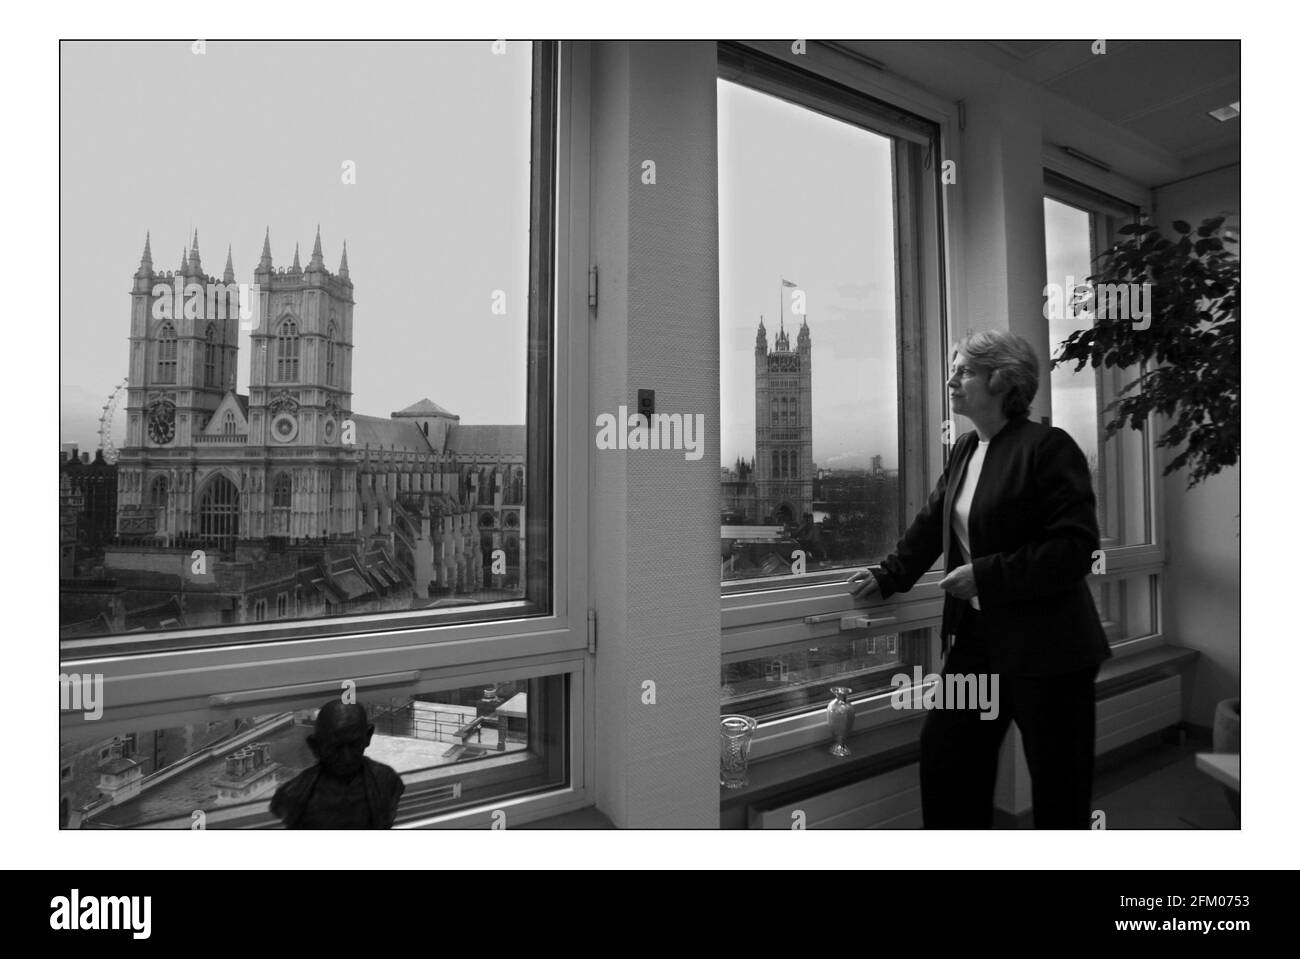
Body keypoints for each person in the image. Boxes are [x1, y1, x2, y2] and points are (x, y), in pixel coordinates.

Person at [846, 330, 1110, 828]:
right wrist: (889, 575)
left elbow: (1075, 549)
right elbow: (933, 523)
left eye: (963, 370)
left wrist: (986, 576)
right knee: (948, 763)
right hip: (978, 642)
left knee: (1060, 795)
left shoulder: (1048, 448)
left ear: (1001, 379)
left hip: (1051, 651)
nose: (951, 380)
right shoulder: (966, 447)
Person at [270, 700, 405, 828]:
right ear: (315, 745)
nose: (347, 758)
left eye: (354, 745)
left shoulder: (387, 780)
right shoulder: (293, 794)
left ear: (368, 737)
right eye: (335, 747)